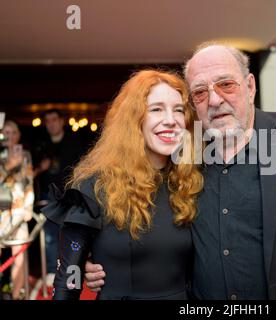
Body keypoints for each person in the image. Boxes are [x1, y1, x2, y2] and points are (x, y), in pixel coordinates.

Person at [85, 43, 276, 299]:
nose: (215, 100)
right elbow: (151, 226)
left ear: (250, 86)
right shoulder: (184, 160)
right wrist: (100, 258)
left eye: (226, 84)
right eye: (201, 93)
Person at [41, 70, 203, 300]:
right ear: (133, 119)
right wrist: (83, 262)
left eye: (178, 110)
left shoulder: (190, 182)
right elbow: (68, 278)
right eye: (156, 109)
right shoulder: (93, 187)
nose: (171, 119)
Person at [33, 109, 84, 275]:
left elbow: (85, 167)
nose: (51, 124)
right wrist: (42, 167)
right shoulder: (41, 144)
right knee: (50, 238)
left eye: (54, 119)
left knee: (72, 235)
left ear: (62, 121)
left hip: (71, 195)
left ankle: (73, 270)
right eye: (47, 121)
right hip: (48, 197)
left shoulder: (74, 141)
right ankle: (51, 272)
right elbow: (30, 172)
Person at [0, 120, 34, 300]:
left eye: (13, 132)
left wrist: (28, 206)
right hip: (1, 210)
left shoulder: (25, 154)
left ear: (18, 135)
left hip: (19, 209)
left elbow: (28, 181)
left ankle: (16, 295)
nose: (10, 136)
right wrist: (9, 166)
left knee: (19, 255)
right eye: (6, 132)